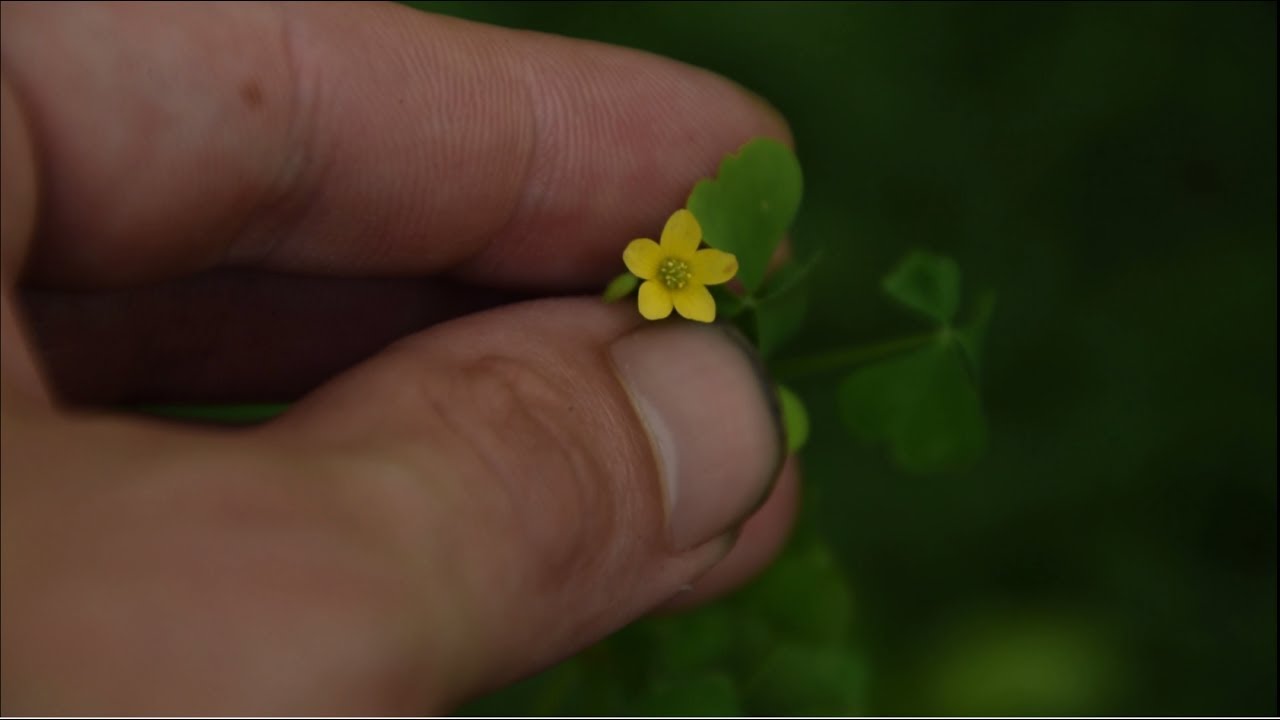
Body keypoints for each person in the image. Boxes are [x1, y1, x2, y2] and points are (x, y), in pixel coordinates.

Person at [0, 2, 799, 713]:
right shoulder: (662, 269)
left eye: (679, 273)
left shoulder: (687, 276)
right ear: (665, 262)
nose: (672, 271)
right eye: (669, 269)